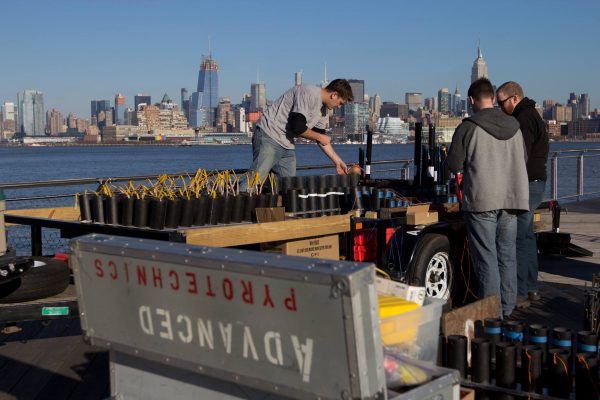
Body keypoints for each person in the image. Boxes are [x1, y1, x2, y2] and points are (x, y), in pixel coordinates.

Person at [446, 78, 529, 319]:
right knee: (507, 253)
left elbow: (453, 165)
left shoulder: (468, 127)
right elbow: (523, 159)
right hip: (511, 198)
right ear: (492, 98)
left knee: (486, 257)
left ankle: (492, 315)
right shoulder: (515, 125)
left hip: (482, 199)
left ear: (472, 100)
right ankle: (507, 307)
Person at [496, 81, 549, 306]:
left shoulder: (523, 118)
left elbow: (521, 154)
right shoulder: (532, 114)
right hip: (536, 181)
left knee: (518, 235)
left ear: (514, 98)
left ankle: (518, 291)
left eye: (502, 102)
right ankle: (531, 287)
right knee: (526, 235)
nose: (500, 107)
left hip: (526, 183)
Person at [249, 79, 353, 182]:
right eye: (340, 103)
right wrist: (320, 137)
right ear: (334, 95)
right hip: (269, 135)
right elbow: (298, 127)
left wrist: (338, 162)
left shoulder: (324, 110)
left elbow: (321, 139)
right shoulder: (308, 93)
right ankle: (240, 195)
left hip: (287, 143)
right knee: (254, 181)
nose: (339, 107)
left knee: (288, 186)